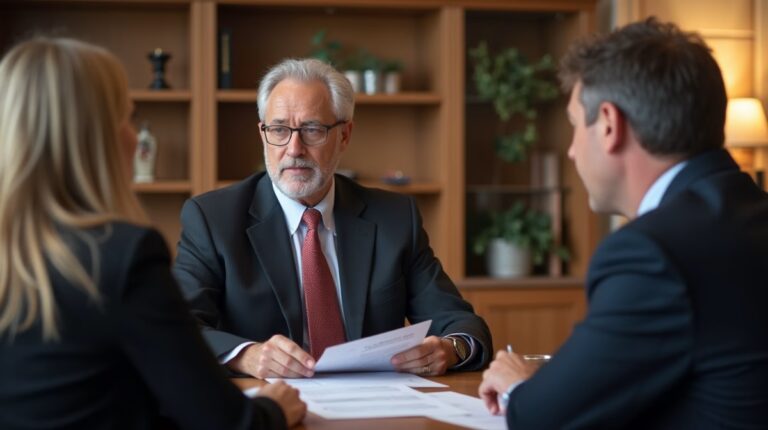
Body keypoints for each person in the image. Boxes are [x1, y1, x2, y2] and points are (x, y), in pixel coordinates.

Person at [0, 37, 306, 429]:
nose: (133, 139)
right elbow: (225, 422)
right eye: (125, 119)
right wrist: (276, 407)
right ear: (92, 140)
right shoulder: (122, 256)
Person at [479, 18, 768, 429]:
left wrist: (517, 386)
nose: (573, 151)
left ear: (610, 125)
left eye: (576, 126)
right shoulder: (748, 215)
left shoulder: (653, 253)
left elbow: (542, 418)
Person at [173, 58, 492, 379]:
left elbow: (461, 323)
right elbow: (180, 326)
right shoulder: (213, 219)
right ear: (262, 134)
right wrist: (246, 356)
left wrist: (450, 349)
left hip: (373, 407)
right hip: (269, 405)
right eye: (279, 129)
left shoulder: (394, 219)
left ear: (344, 135)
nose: (294, 148)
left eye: (312, 129)